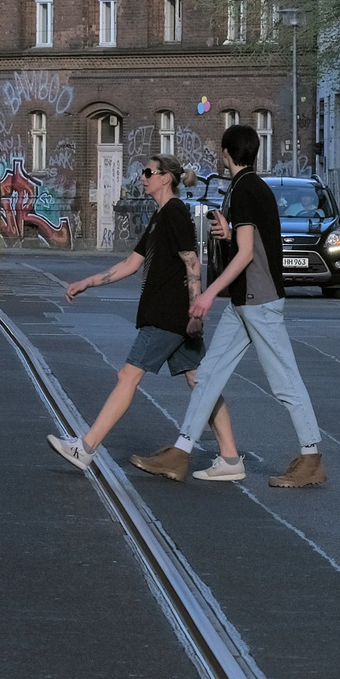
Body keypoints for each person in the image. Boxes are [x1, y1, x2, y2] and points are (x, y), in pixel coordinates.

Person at [132, 123, 328, 487]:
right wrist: (227, 233)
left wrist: (207, 294)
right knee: (207, 375)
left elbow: (248, 253)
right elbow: (248, 241)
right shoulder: (250, 187)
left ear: (226, 154)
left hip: (259, 301)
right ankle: (183, 451)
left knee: (284, 381)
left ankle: (312, 456)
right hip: (245, 302)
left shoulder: (245, 190)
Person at [46, 155, 230, 473]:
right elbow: (131, 264)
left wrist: (197, 310)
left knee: (127, 376)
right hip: (176, 315)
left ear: (165, 178)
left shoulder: (174, 213)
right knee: (200, 381)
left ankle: (86, 448)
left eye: (148, 172)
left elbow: (192, 261)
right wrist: (87, 282)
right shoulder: (161, 216)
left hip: (166, 315)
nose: (142, 177)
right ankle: (230, 457)